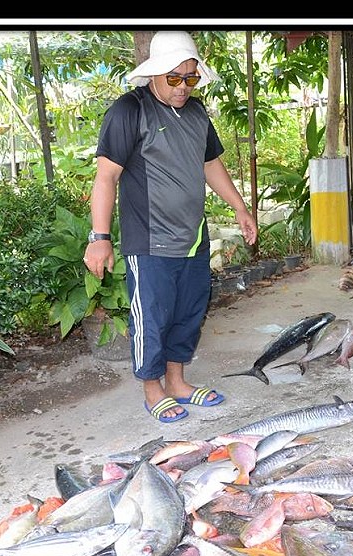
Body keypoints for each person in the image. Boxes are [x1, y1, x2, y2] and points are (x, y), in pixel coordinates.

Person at [85, 31, 257, 423]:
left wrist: (240, 209)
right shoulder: (129, 110)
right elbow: (106, 176)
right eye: (175, 79)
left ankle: (178, 382)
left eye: (191, 78)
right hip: (149, 240)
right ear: (155, 75)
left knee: (189, 312)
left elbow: (210, 164)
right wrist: (100, 238)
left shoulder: (197, 114)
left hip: (194, 235)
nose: (183, 87)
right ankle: (153, 390)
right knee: (153, 317)